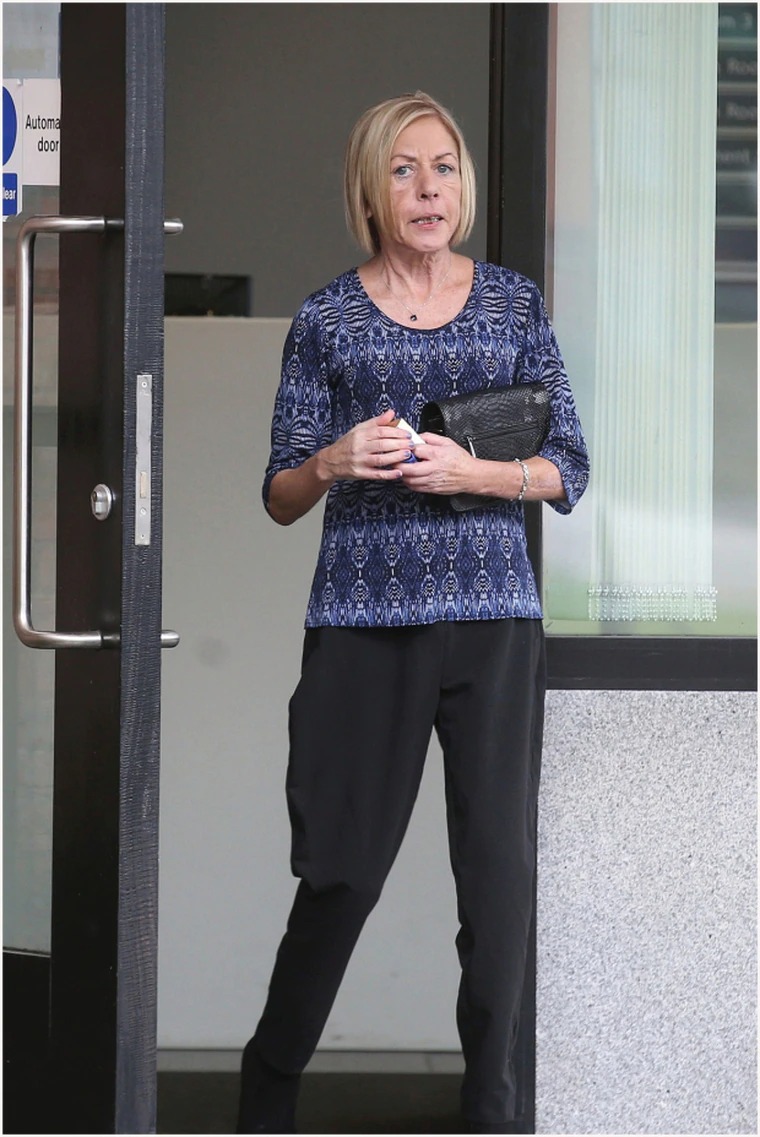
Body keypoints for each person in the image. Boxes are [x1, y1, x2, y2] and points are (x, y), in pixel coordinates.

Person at [237, 91, 589, 1135]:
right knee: (341, 875)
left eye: (442, 168)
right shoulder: (326, 319)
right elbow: (278, 495)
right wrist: (333, 459)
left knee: (497, 887)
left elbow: (568, 467)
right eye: (403, 170)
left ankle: (491, 1114)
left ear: (462, 186)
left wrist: (475, 474)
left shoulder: (513, 305)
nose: (427, 189)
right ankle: (267, 1092)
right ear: (370, 189)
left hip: (491, 623)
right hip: (363, 624)